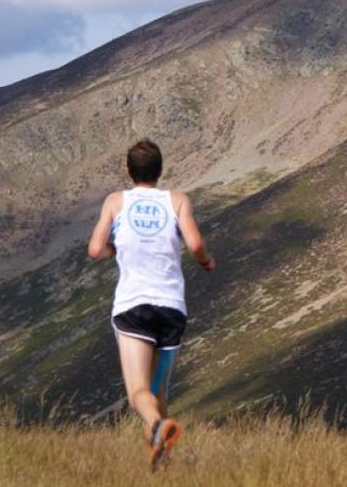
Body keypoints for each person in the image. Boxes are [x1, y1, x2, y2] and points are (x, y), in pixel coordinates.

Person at [88, 138, 216, 471]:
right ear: (161, 171)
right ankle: (163, 463)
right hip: (171, 309)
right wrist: (206, 263)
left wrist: (117, 250)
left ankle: (158, 428)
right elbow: (195, 243)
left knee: (139, 393)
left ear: (129, 171)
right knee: (158, 396)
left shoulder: (116, 202)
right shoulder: (177, 201)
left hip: (133, 307)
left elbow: (95, 249)